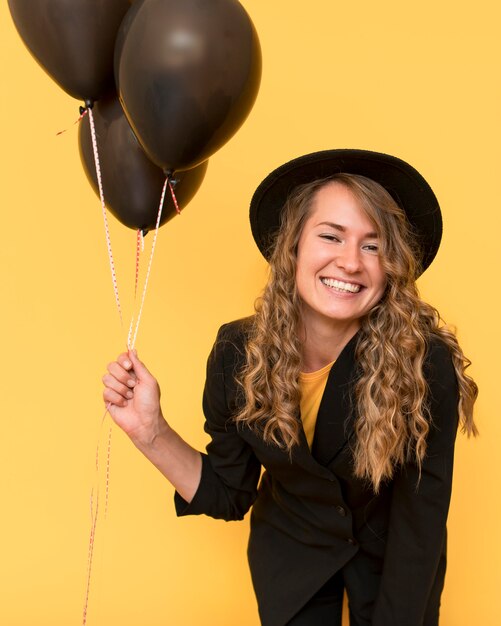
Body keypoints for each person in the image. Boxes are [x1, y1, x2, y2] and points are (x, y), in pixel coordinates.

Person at [102, 149, 478, 626]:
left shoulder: (424, 361)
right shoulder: (237, 352)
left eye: (372, 245)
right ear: (293, 246)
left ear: (392, 264)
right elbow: (229, 493)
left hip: (394, 567)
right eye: (330, 236)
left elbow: (420, 521)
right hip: (293, 560)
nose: (350, 262)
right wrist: (150, 431)